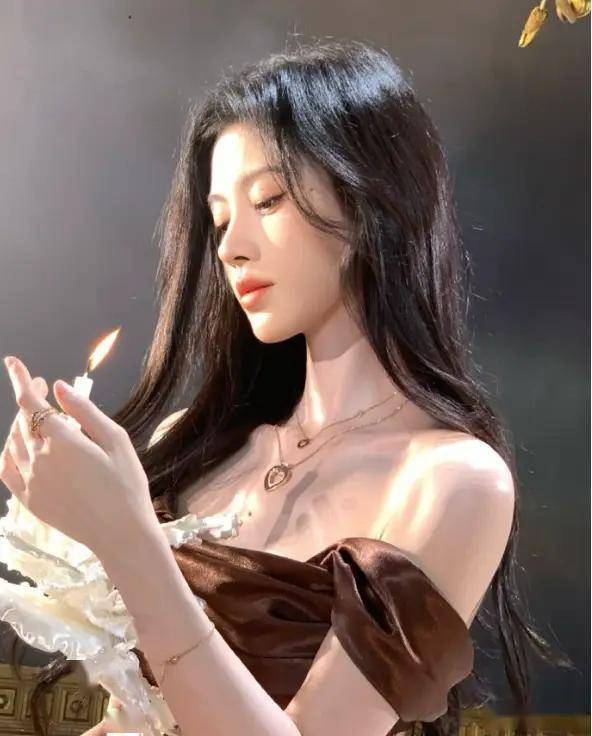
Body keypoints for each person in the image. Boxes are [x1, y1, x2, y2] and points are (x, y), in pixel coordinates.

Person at [20, 38, 567, 736]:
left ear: (372, 198)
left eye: (268, 199)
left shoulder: (451, 482)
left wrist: (127, 539)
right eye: (220, 219)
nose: (230, 247)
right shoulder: (192, 446)